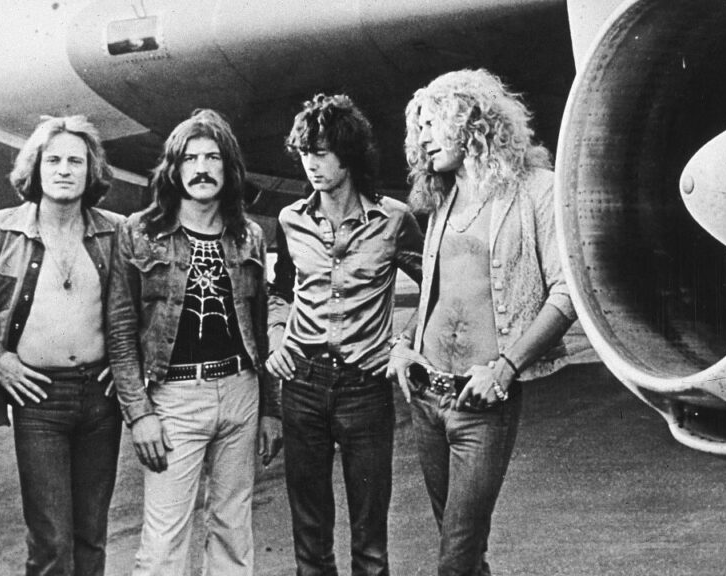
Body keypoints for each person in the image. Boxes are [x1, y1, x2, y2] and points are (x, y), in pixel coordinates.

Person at [387, 68, 578, 576]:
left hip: (483, 403)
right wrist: (403, 343)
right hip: (425, 395)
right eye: (418, 128)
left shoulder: (536, 190)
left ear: (471, 120)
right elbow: (438, 292)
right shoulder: (442, 198)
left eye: (432, 123)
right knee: (465, 553)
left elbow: (567, 294)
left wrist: (505, 368)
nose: (422, 138)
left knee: (455, 557)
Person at [0, 115, 124, 576]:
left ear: (92, 170)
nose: (64, 170)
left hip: (101, 399)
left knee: (91, 536)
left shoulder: (117, 231)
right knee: (51, 542)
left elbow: (146, 304)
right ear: (35, 167)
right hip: (38, 399)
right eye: (53, 160)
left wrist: (125, 361)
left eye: (75, 161)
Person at [106, 109, 282, 576]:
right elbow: (121, 332)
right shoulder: (139, 232)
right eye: (190, 158)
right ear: (174, 169)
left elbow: (260, 331)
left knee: (234, 533)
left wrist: (271, 409)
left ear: (229, 168)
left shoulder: (248, 235)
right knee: (164, 543)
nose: (202, 168)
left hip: (241, 393)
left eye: (213, 157)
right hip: (174, 400)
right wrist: (140, 413)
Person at [266, 93, 423, 576]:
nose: (311, 164)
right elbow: (280, 291)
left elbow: (436, 287)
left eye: (321, 152)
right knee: (310, 542)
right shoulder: (291, 220)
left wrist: (403, 343)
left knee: (370, 545)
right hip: (303, 384)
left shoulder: (393, 220)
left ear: (348, 154)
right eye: (305, 153)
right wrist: (276, 335)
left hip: (365, 388)